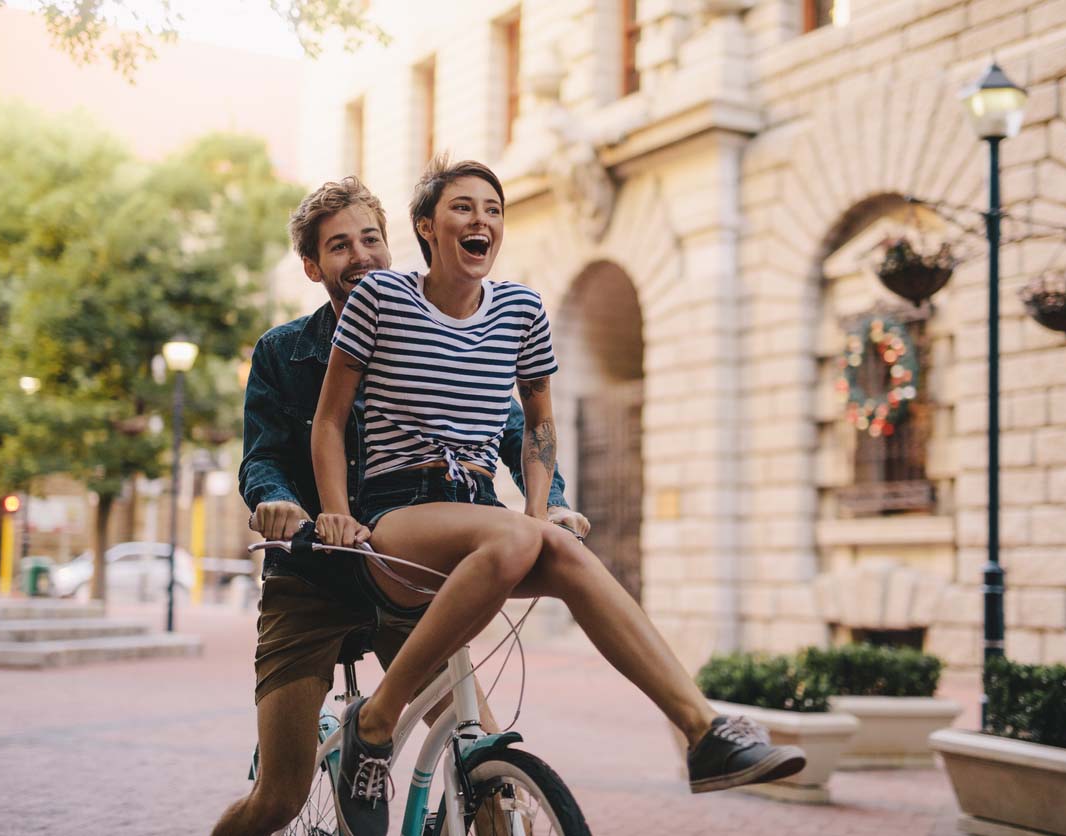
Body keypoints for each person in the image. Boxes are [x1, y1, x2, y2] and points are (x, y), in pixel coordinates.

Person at [312, 158, 806, 836]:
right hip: (396, 517)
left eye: (492, 207)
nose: (480, 219)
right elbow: (330, 420)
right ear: (427, 227)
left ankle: (703, 730)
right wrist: (338, 512)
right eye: (462, 207)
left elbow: (539, 424)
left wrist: (541, 514)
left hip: (480, 510)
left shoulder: (522, 309)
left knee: (563, 550)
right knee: (518, 534)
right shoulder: (381, 300)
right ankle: (376, 722)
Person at [211, 177, 573, 836]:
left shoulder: (432, 326)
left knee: (486, 772)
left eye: (371, 238)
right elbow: (262, 457)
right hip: (313, 577)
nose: (362, 256)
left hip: (408, 578)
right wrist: (279, 503)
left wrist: (556, 504)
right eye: (340, 246)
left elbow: (516, 428)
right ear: (314, 267)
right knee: (279, 797)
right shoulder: (282, 352)